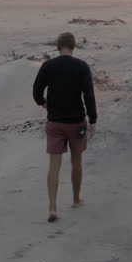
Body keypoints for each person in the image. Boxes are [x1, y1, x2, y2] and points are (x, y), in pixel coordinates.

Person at [32, 32, 97, 223]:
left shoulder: (48, 65)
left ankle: (52, 207)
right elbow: (89, 95)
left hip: (55, 122)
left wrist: (43, 103)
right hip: (76, 122)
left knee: (54, 165)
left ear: (58, 46)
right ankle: (76, 200)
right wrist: (93, 120)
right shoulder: (81, 66)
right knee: (76, 162)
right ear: (73, 46)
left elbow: (36, 90)